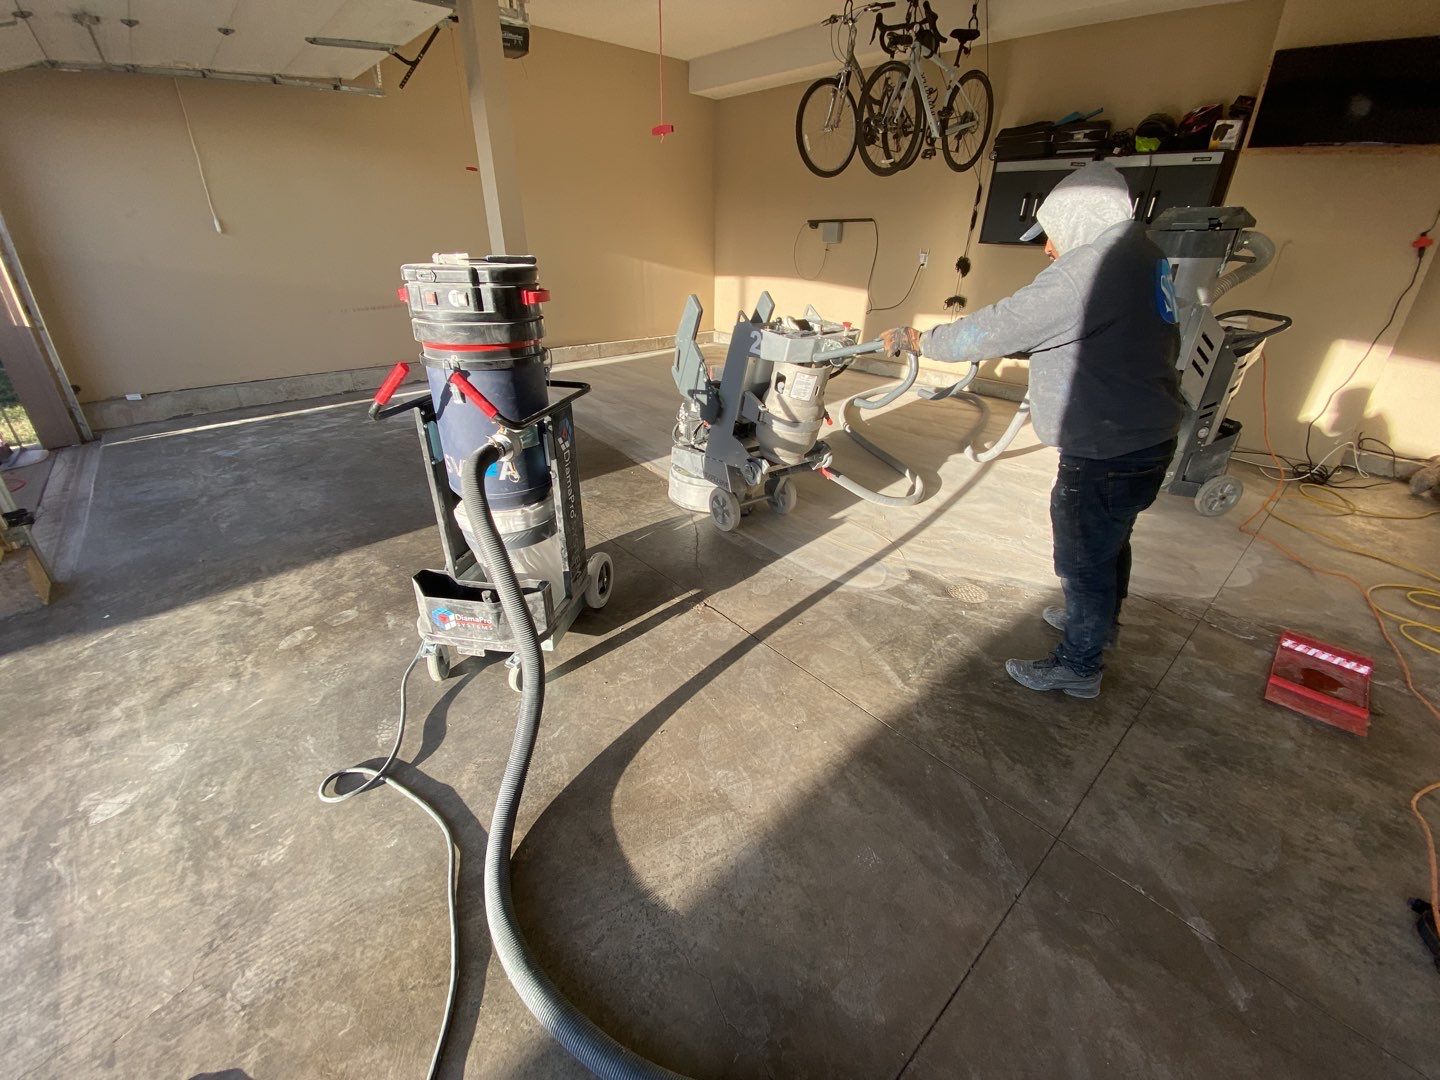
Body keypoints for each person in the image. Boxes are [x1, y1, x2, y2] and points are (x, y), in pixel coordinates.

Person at [882, 161, 1184, 699]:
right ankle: (1099, 625)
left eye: (1051, 231)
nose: (1047, 247)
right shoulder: (1144, 254)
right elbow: (1093, 332)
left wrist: (921, 339)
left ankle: (1079, 665)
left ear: (1079, 217)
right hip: (1147, 433)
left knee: (1082, 557)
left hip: (1105, 445)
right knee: (1111, 541)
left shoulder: (1088, 269)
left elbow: (998, 326)